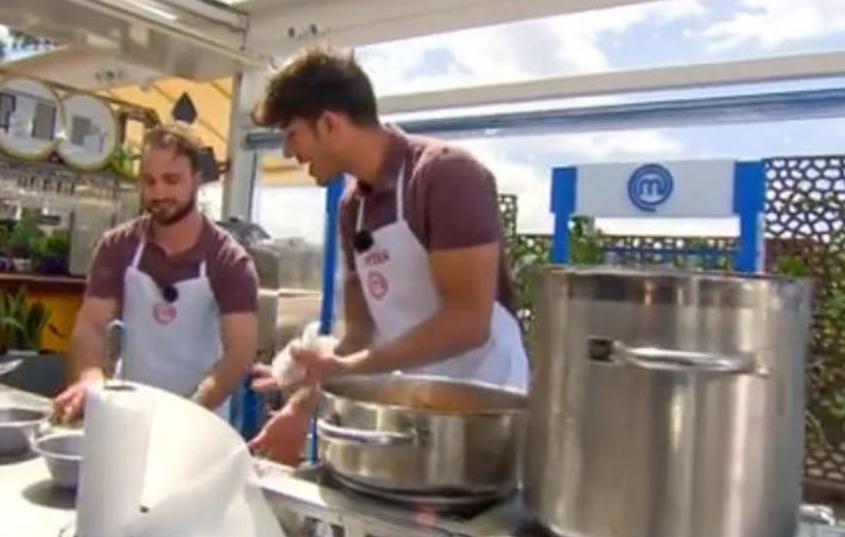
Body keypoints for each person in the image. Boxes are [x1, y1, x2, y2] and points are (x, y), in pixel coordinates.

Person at [247, 46, 529, 464]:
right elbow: (359, 332)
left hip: (484, 401)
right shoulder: (351, 208)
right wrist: (299, 408)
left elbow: (468, 323)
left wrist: (359, 366)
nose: (289, 153)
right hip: (411, 400)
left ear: (329, 124)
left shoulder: (444, 174)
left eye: (292, 135)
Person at [53, 125, 258, 422]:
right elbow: (90, 327)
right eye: (150, 181)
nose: (159, 192)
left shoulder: (228, 260)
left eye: (172, 180)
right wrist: (89, 379)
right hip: (131, 410)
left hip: (200, 418)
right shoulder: (118, 245)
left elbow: (239, 354)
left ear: (197, 181)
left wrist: (189, 410)